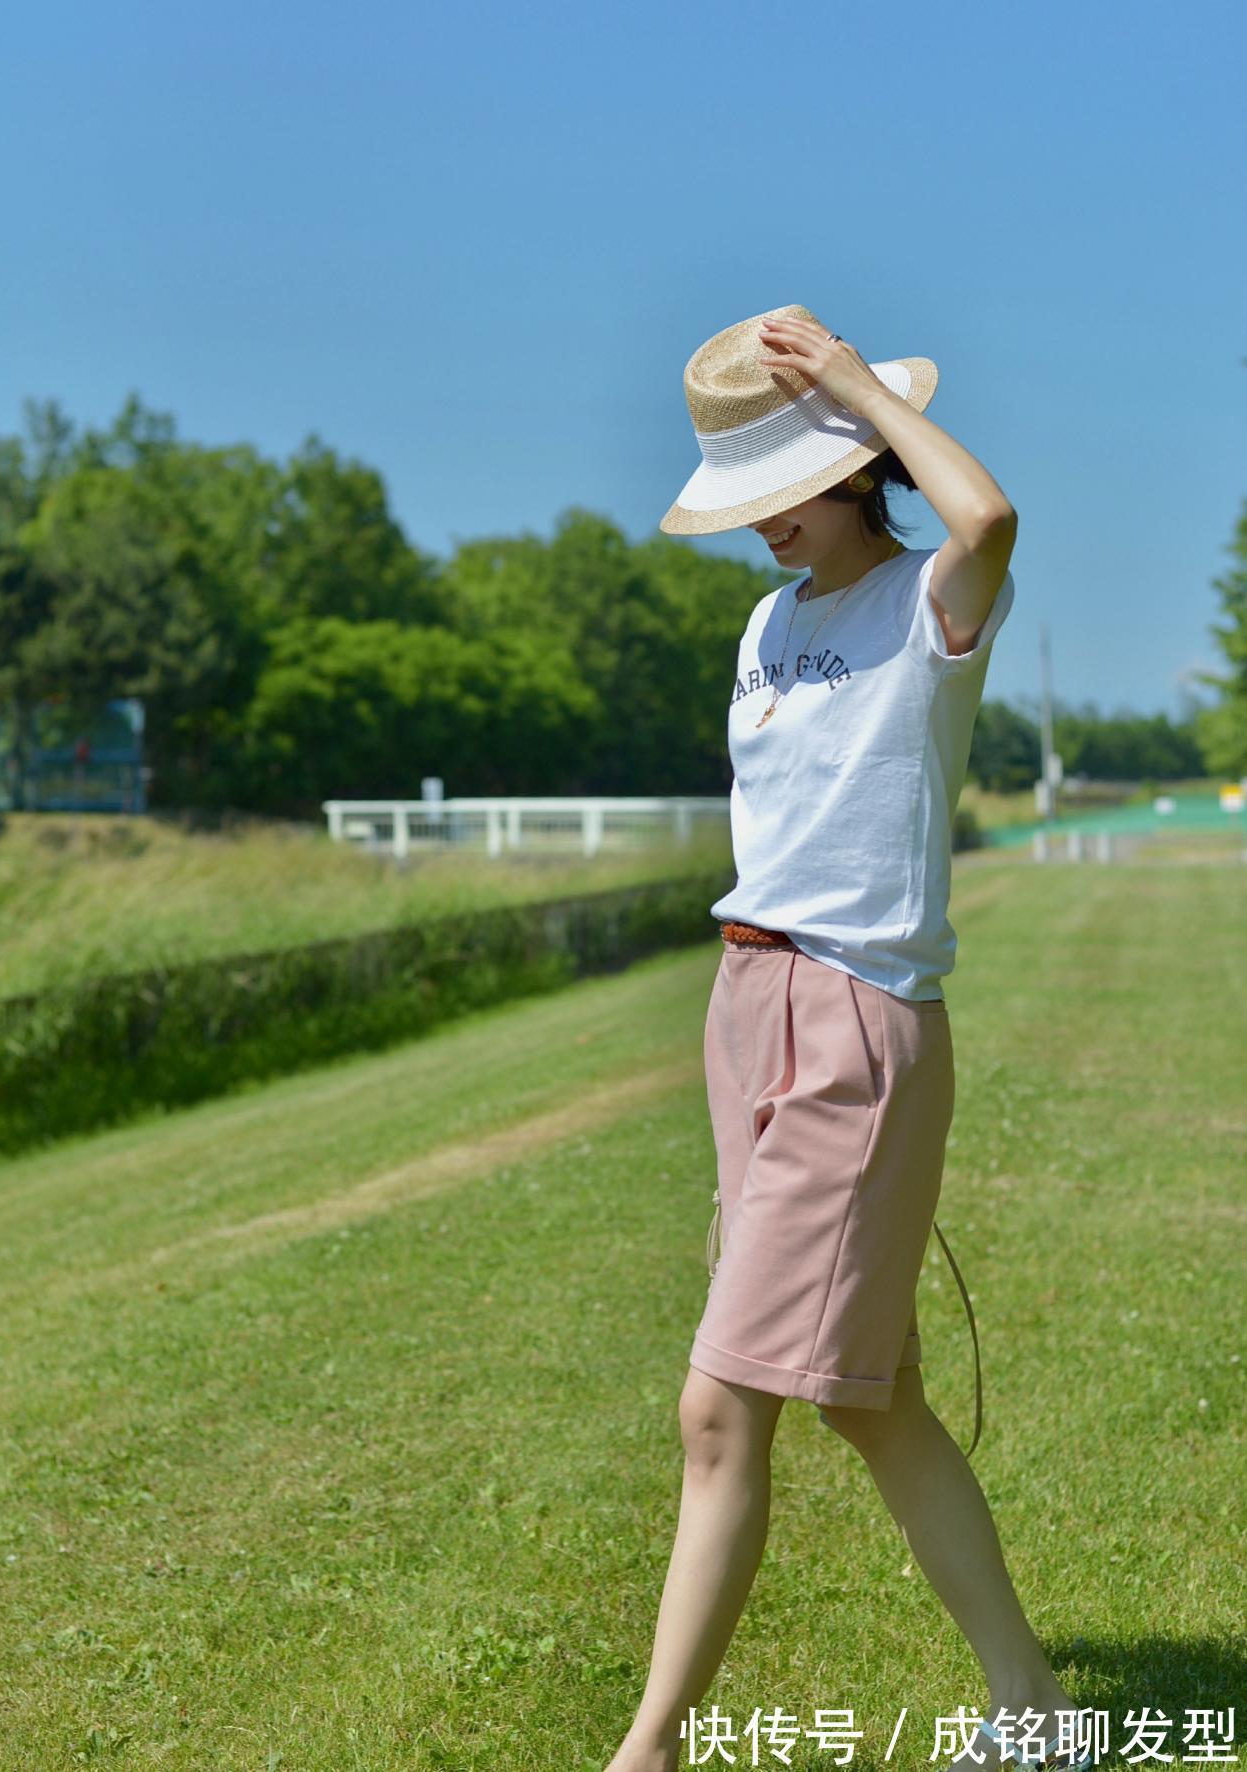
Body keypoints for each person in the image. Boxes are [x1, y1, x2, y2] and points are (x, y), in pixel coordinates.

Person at [604, 307, 1098, 1772]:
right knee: (872, 1405)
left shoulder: (934, 603)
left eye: (781, 493)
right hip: (745, 1002)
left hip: (854, 1023)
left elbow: (989, 510)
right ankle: (1039, 1714)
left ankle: (650, 1751)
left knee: (718, 1410)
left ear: (851, 467)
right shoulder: (769, 623)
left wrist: (850, 390)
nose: (759, 530)